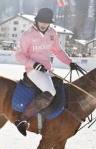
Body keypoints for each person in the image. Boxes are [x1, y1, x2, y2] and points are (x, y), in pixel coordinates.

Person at [14, 7, 79, 136]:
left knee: (61, 87)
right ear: (36, 21)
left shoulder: (52, 33)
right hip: (33, 70)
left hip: (47, 69)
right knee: (51, 91)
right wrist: (34, 64)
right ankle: (22, 120)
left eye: (47, 22)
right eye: (42, 21)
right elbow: (19, 55)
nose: (44, 24)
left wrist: (70, 62)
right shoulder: (27, 35)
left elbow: (58, 51)